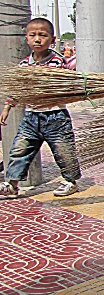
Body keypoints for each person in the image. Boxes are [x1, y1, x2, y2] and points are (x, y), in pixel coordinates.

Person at [0, 18, 81, 198]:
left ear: (52, 40)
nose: (37, 39)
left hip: (55, 116)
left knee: (64, 150)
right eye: (33, 35)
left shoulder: (57, 62)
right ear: (26, 39)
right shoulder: (24, 65)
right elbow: (18, 89)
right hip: (31, 117)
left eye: (43, 35)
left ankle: (70, 181)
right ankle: (12, 184)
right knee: (20, 149)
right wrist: (7, 107)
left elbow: (63, 84)